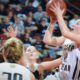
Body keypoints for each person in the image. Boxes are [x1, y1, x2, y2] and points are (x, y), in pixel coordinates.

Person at [43, 2, 80, 80]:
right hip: (58, 76)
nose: (78, 25)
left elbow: (65, 32)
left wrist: (59, 14)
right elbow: (47, 40)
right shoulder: (66, 38)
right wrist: (52, 22)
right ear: (73, 26)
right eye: (78, 23)